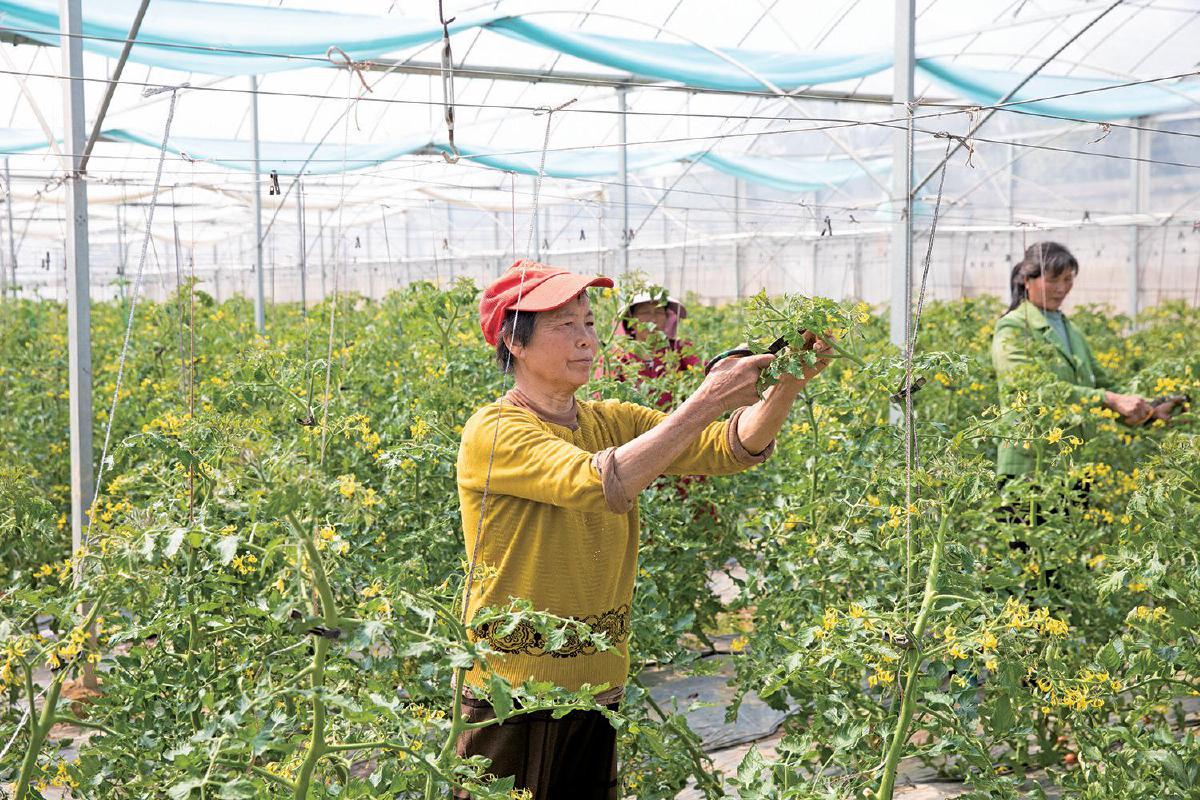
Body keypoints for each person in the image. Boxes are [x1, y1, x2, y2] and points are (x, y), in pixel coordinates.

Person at [455, 260, 831, 798]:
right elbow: (601, 482)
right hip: (512, 690)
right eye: (566, 325)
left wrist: (786, 383)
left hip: (598, 684)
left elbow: (728, 447)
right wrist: (707, 398)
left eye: (589, 323)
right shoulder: (494, 431)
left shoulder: (613, 420)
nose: (586, 339)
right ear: (515, 342)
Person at [991, 241, 1155, 478]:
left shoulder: (1071, 330)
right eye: (1053, 280)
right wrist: (1109, 399)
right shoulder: (1013, 328)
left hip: (1074, 464)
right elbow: (1033, 390)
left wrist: (1150, 409)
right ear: (1027, 280)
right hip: (1030, 464)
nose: (1061, 288)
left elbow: (1103, 384)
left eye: (1068, 279)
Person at [601, 292, 700, 409]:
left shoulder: (679, 348)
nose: (653, 319)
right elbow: (604, 399)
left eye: (659, 312)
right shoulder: (616, 357)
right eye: (645, 312)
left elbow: (703, 373)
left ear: (667, 318)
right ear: (630, 319)